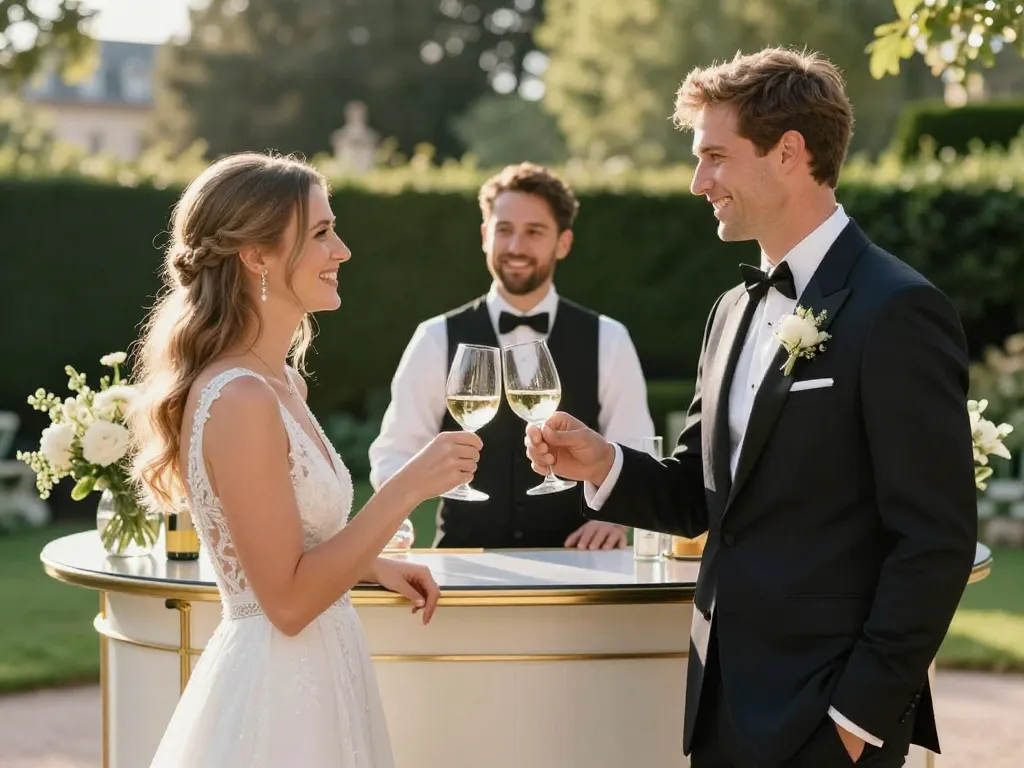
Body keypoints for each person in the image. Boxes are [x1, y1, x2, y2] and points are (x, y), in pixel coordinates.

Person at [525, 48, 977, 768]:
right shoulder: (731, 311)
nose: (698, 181)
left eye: (715, 156)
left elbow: (935, 542)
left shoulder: (899, 310)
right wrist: (604, 463)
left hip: (828, 722)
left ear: (790, 152)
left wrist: (855, 719)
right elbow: (702, 500)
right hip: (721, 705)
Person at [129, 152, 482, 768]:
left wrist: (369, 565)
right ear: (256, 256)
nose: (342, 250)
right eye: (321, 233)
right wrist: (407, 487)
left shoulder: (283, 383)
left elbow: (289, 548)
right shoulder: (240, 398)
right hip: (278, 699)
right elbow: (286, 604)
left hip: (324, 669)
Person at [369, 162, 654, 549]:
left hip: (581, 565)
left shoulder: (609, 338)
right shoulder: (435, 338)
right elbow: (395, 450)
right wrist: (396, 517)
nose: (516, 247)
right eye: (504, 230)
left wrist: (618, 518)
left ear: (563, 243)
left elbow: (633, 447)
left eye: (534, 232)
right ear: (486, 236)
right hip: (462, 567)